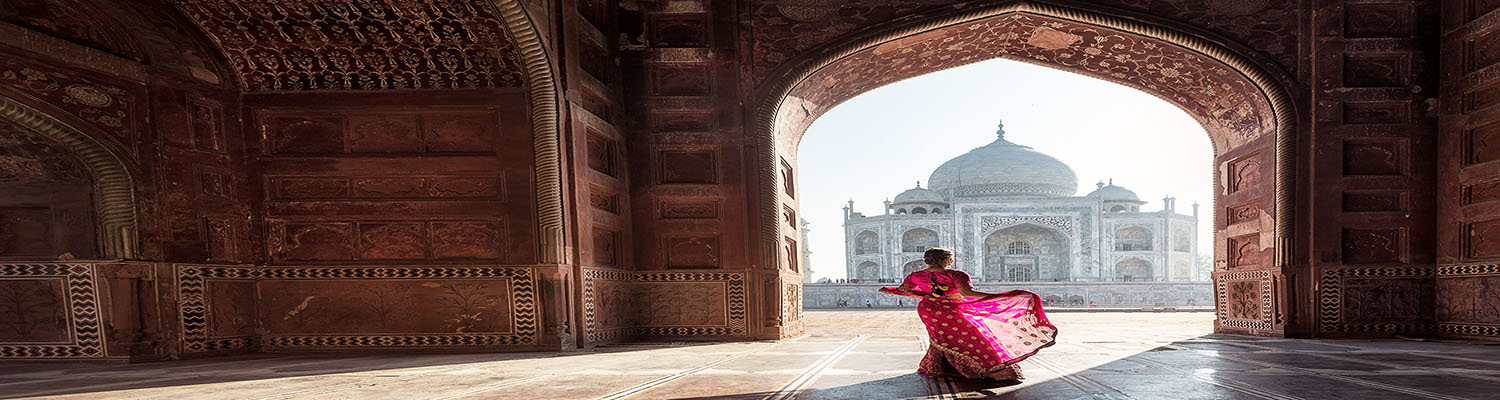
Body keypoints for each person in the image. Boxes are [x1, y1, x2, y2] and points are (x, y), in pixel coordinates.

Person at [879, 247, 1057, 382]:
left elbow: (904, 290)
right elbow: (967, 293)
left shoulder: (915, 275)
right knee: (972, 335)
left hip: (929, 309)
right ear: (946, 260)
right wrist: (998, 296)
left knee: (941, 338)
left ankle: (940, 367)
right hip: (952, 308)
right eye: (951, 258)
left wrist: (921, 294)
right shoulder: (956, 274)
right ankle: (990, 369)